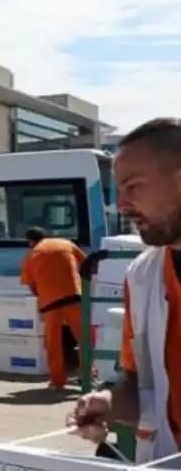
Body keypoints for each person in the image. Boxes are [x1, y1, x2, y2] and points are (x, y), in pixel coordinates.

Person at [68, 118, 181, 465]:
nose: (121, 205)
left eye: (134, 186)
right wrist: (109, 403)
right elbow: (140, 381)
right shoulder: (143, 275)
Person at [20, 226, 86, 389]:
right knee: (83, 337)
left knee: (53, 342)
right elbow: (86, 262)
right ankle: (88, 377)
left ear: (31, 242)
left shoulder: (32, 255)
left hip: (50, 303)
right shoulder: (66, 243)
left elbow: (31, 285)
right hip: (74, 297)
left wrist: (43, 295)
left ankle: (57, 381)